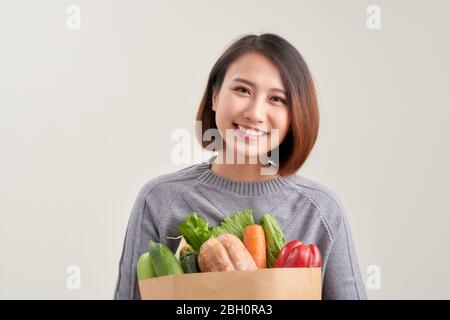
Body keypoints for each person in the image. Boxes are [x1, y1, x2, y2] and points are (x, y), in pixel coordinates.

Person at [114, 33, 368, 300]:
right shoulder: (159, 200)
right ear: (214, 96)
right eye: (243, 90)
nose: (255, 113)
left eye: (277, 99)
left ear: (294, 115)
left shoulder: (320, 210)